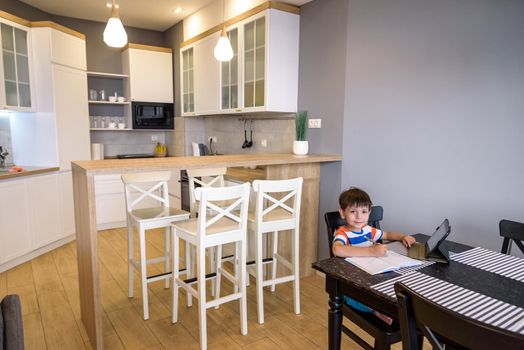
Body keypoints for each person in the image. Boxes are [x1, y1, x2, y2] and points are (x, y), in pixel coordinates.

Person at [332, 187, 416, 324]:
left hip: (370, 275)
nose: (359, 217)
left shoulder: (368, 230)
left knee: (395, 285)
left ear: (369, 212)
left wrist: (403, 236)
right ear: (342, 213)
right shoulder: (342, 233)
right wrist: (371, 251)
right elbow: (337, 249)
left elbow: (387, 234)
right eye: (353, 212)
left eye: (364, 212)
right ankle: (376, 311)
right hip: (351, 282)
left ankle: (388, 308)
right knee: (353, 298)